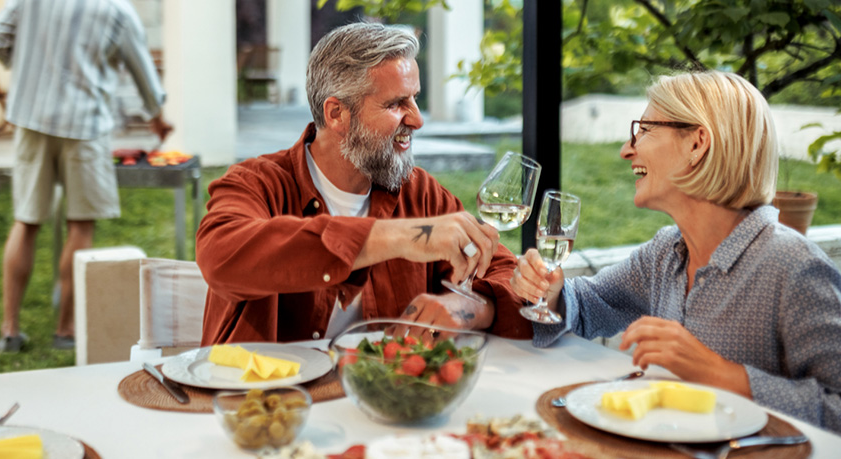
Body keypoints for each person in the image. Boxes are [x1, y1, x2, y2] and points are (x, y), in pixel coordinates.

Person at [510, 71, 841, 432]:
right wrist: (553, 292)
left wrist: (720, 374)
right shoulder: (667, 252)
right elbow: (590, 304)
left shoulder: (794, 267)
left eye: (645, 130)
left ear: (697, 143)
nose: (626, 150)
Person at [196, 22, 529, 345]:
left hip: (382, 396)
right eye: (397, 104)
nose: (417, 119)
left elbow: (507, 276)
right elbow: (221, 257)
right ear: (337, 114)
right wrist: (403, 237)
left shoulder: (419, 193)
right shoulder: (255, 183)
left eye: (414, 99)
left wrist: (468, 307)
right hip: (267, 399)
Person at [0, 0, 172, 353]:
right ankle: (65, 329)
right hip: (84, 124)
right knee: (80, 225)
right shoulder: (116, 9)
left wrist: (28, 66)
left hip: (30, 117)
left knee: (26, 220)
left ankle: (9, 329)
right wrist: (157, 116)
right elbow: (143, 72)